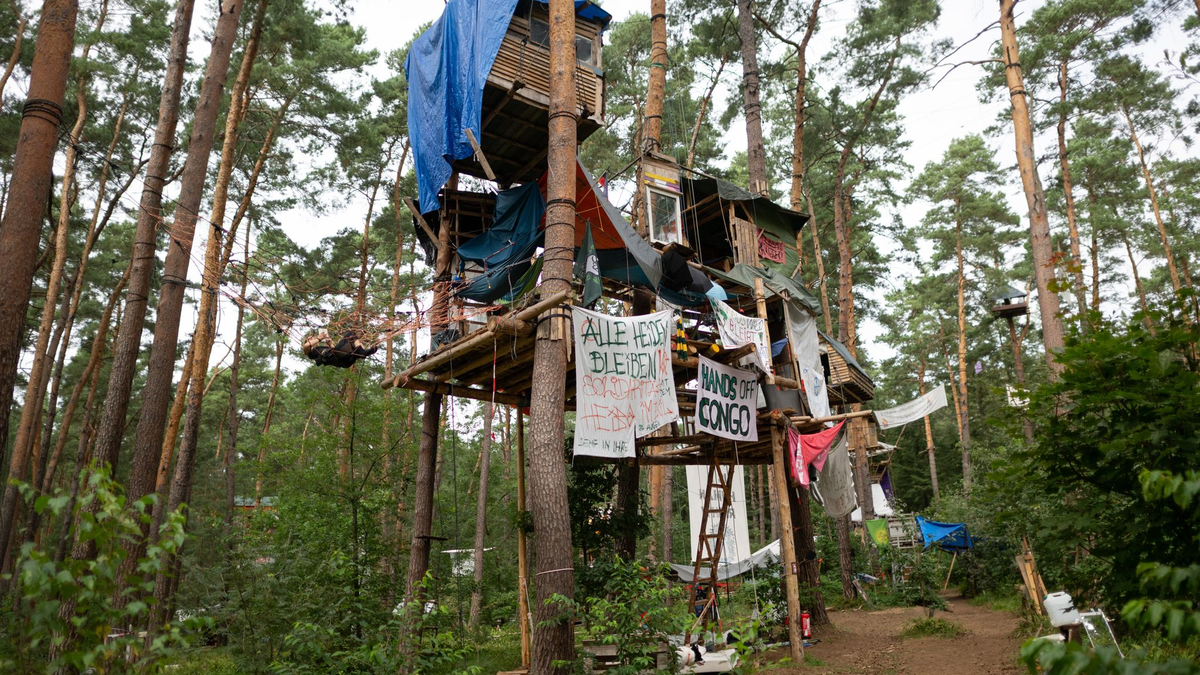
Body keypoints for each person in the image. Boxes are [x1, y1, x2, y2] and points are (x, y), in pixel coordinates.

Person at [303, 329, 377, 368]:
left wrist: (330, 344)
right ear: (307, 341)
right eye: (310, 339)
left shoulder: (320, 348)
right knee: (350, 334)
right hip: (339, 359)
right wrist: (318, 339)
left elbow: (334, 350)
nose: (313, 338)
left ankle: (361, 353)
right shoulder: (309, 352)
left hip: (344, 359)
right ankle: (361, 352)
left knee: (354, 341)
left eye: (314, 338)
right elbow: (306, 346)